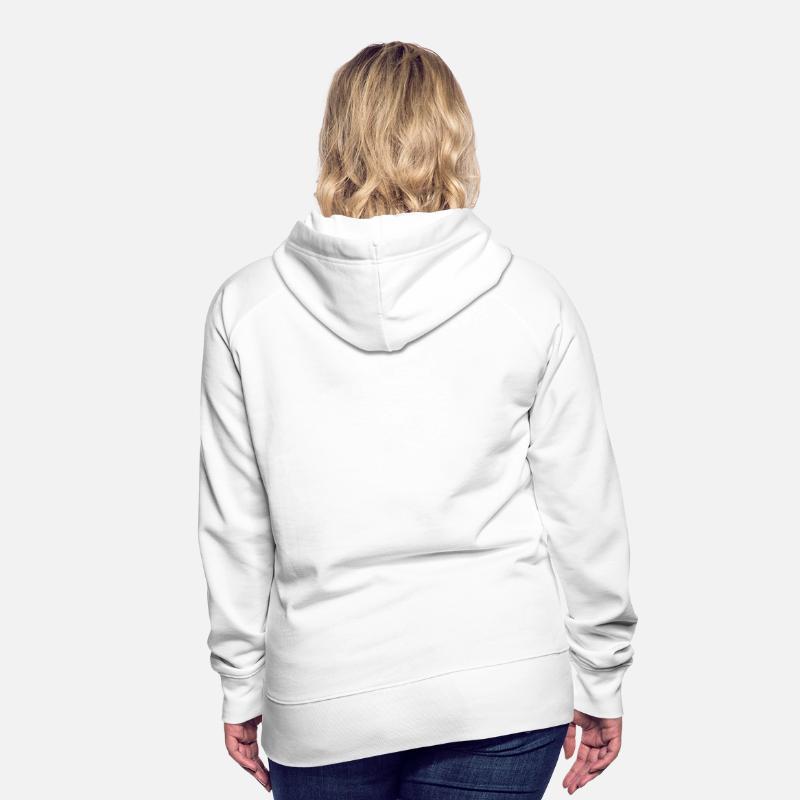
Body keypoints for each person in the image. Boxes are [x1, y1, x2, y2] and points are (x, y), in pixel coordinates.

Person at [197, 41, 638, 799]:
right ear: (455, 138)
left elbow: (236, 522)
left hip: (325, 693)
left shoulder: (248, 308)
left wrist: (241, 683)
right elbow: (583, 508)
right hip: (499, 688)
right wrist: (601, 674)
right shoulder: (530, 301)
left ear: (335, 140)